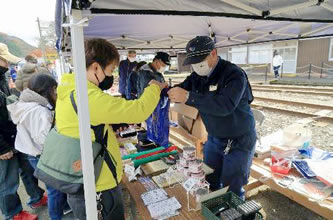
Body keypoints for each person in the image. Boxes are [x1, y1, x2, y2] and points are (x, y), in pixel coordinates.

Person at [55, 38, 167, 219]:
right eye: (109, 71)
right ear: (95, 67)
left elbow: (86, 124)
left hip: (80, 176)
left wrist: (110, 122)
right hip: (97, 185)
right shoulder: (87, 96)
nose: (110, 76)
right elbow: (139, 111)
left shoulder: (69, 87)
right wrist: (154, 87)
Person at [168, 36, 256, 199]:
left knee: (233, 187)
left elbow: (225, 105)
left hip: (239, 140)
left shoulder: (234, 74)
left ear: (214, 53)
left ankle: (234, 212)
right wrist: (164, 89)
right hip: (215, 138)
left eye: (200, 60)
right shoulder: (197, 75)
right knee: (209, 179)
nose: (196, 66)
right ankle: (213, 208)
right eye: (193, 62)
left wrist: (188, 97)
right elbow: (181, 88)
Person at [8, 73, 67, 220]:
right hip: (41, 153)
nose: (56, 94)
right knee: (54, 189)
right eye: (54, 90)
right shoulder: (40, 111)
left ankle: (62, 208)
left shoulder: (27, 104)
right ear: (47, 90)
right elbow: (44, 138)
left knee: (53, 188)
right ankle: (56, 216)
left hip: (31, 153)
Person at [0, 43, 42, 220]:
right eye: (5, 61)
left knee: (27, 168)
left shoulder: (2, 79)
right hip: (3, 141)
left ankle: (37, 197)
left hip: (13, 134)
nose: (7, 65)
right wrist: (1, 148)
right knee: (8, 180)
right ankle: (13, 213)